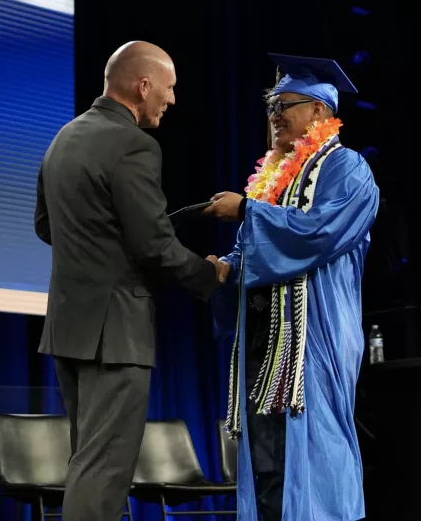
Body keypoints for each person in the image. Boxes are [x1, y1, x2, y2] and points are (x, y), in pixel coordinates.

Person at [34, 41, 225, 521]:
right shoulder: (136, 144)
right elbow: (153, 245)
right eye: (169, 86)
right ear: (143, 87)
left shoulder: (65, 136)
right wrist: (211, 275)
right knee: (102, 474)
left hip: (68, 328)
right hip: (114, 333)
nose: (173, 98)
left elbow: (46, 226)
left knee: (88, 463)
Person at [205, 53, 379, 520]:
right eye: (271, 109)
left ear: (320, 111)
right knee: (267, 460)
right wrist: (224, 268)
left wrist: (245, 210)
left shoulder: (349, 170)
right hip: (264, 341)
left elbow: (317, 232)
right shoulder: (273, 181)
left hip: (313, 339)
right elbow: (250, 248)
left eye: (286, 106)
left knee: (316, 451)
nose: (275, 117)